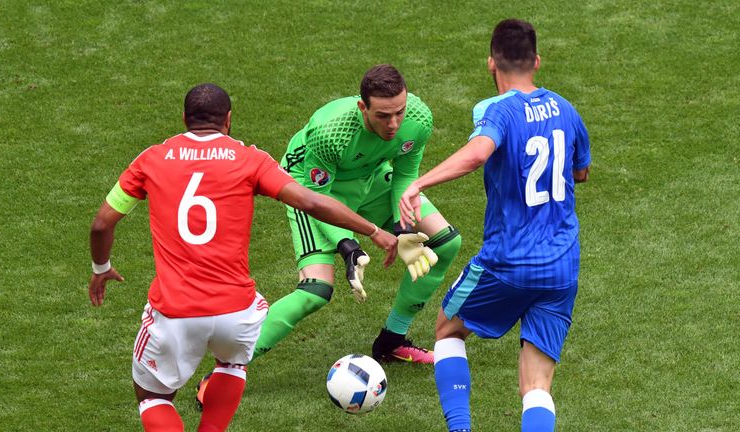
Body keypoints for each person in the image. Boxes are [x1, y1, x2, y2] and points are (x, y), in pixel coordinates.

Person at [88, 83, 397, 432]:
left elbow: (102, 224)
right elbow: (312, 202)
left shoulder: (151, 159)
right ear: (228, 120)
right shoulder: (249, 159)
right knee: (232, 363)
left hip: (175, 311)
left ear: (184, 119)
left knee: (152, 396)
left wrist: (102, 268)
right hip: (237, 311)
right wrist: (372, 230)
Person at [398, 20, 591, 432]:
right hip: (561, 266)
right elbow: (581, 173)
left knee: (448, 328)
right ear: (536, 61)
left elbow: (477, 154)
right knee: (536, 384)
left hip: (508, 260)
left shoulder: (500, 111)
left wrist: (419, 183)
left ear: (491, 64)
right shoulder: (566, 108)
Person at [252, 64, 463, 364]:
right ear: (363, 107)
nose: (393, 124)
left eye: (399, 112)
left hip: (369, 176)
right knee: (316, 290)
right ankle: (229, 367)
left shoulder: (417, 118)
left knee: (445, 242)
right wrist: (348, 246)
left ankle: (392, 341)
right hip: (309, 189)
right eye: (383, 116)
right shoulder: (331, 132)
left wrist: (402, 232)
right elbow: (318, 200)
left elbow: (405, 177)